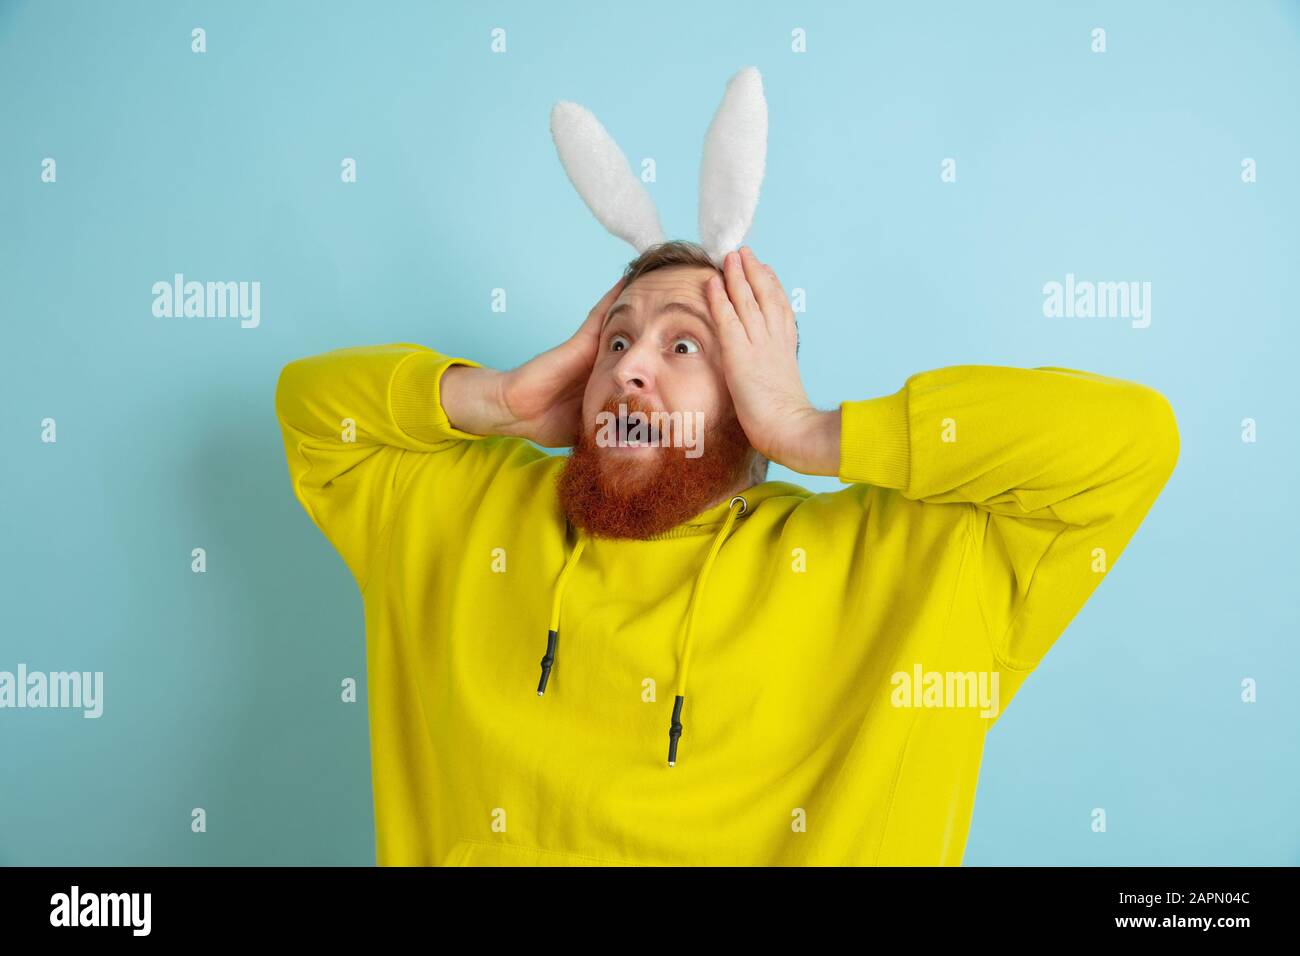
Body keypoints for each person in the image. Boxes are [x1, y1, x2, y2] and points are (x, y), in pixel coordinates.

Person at [274, 240, 1179, 866]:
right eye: (615, 340)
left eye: (685, 346)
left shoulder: (912, 564)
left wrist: (814, 431)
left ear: (749, 398)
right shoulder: (463, 516)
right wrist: (502, 400)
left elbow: (1131, 442)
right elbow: (311, 414)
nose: (632, 368)